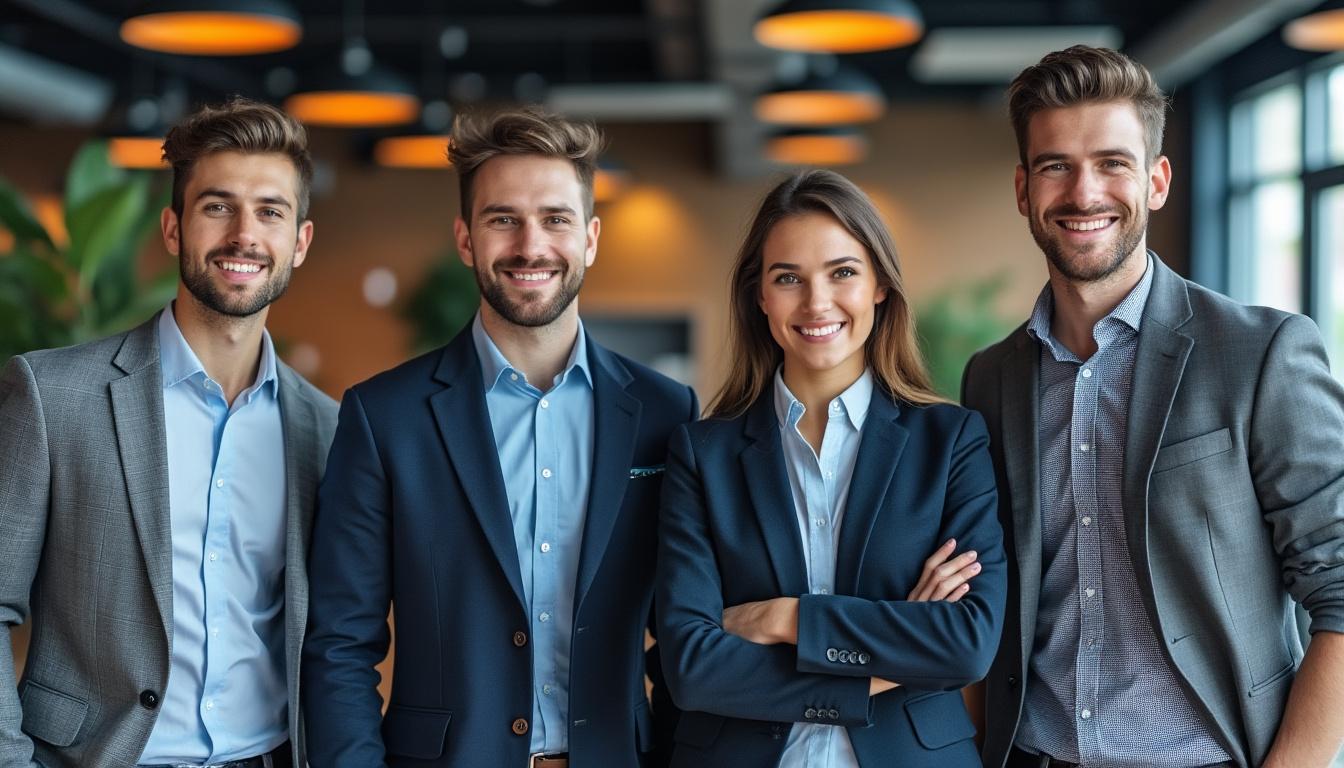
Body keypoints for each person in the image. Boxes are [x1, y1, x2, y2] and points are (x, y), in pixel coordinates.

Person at [962, 45, 1344, 768]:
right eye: (1056, 166)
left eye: (1112, 163)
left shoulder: (1262, 354)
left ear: (1157, 181)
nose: (1083, 193)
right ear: (1023, 188)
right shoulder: (992, 380)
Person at [302, 106, 699, 767]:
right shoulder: (384, 417)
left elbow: (686, 633)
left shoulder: (665, 413)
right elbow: (340, 645)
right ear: (466, 239)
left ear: (591, 238)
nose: (530, 245)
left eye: (555, 219)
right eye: (502, 219)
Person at [0, 97, 337, 768]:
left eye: (270, 211)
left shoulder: (326, 430)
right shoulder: (52, 397)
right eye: (217, 206)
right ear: (174, 227)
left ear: (298, 241)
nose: (244, 234)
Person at [656, 169, 1006, 767]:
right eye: (788, 278)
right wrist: (896, 644)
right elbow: (692, 667)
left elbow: (967, 644)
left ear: (879, 287)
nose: (817, 302)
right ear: (761, 297)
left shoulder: (950, 442)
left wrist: (785, 617)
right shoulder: (700, 454)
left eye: (843, 272)